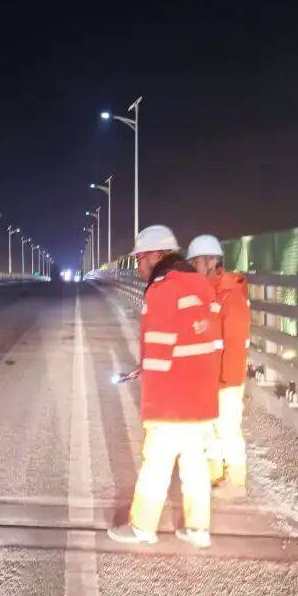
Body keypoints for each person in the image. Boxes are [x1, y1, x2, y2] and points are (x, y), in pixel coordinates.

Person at [108, 225, 222, 549]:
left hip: (171, 402)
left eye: (140, 258)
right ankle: (198, 529)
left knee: (155, 465)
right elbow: (208, 340)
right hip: (203, 398)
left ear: (156, 255)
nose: (138, 266)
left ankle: (142, 526)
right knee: (195, 467)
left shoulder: (162, 290)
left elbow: (158, 354)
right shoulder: (202, 286)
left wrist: (151, 401)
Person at [187, 234, 251, 499]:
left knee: (227, 427)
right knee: (209, 428)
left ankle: (236, 481)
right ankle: (215, 476)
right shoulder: (205, 292)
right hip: (208, 375)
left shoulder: (230, 295)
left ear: (211, 261)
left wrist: (225, 380)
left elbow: (235, 342)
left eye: (196, 263)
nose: (193, 268)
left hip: (226, 378)